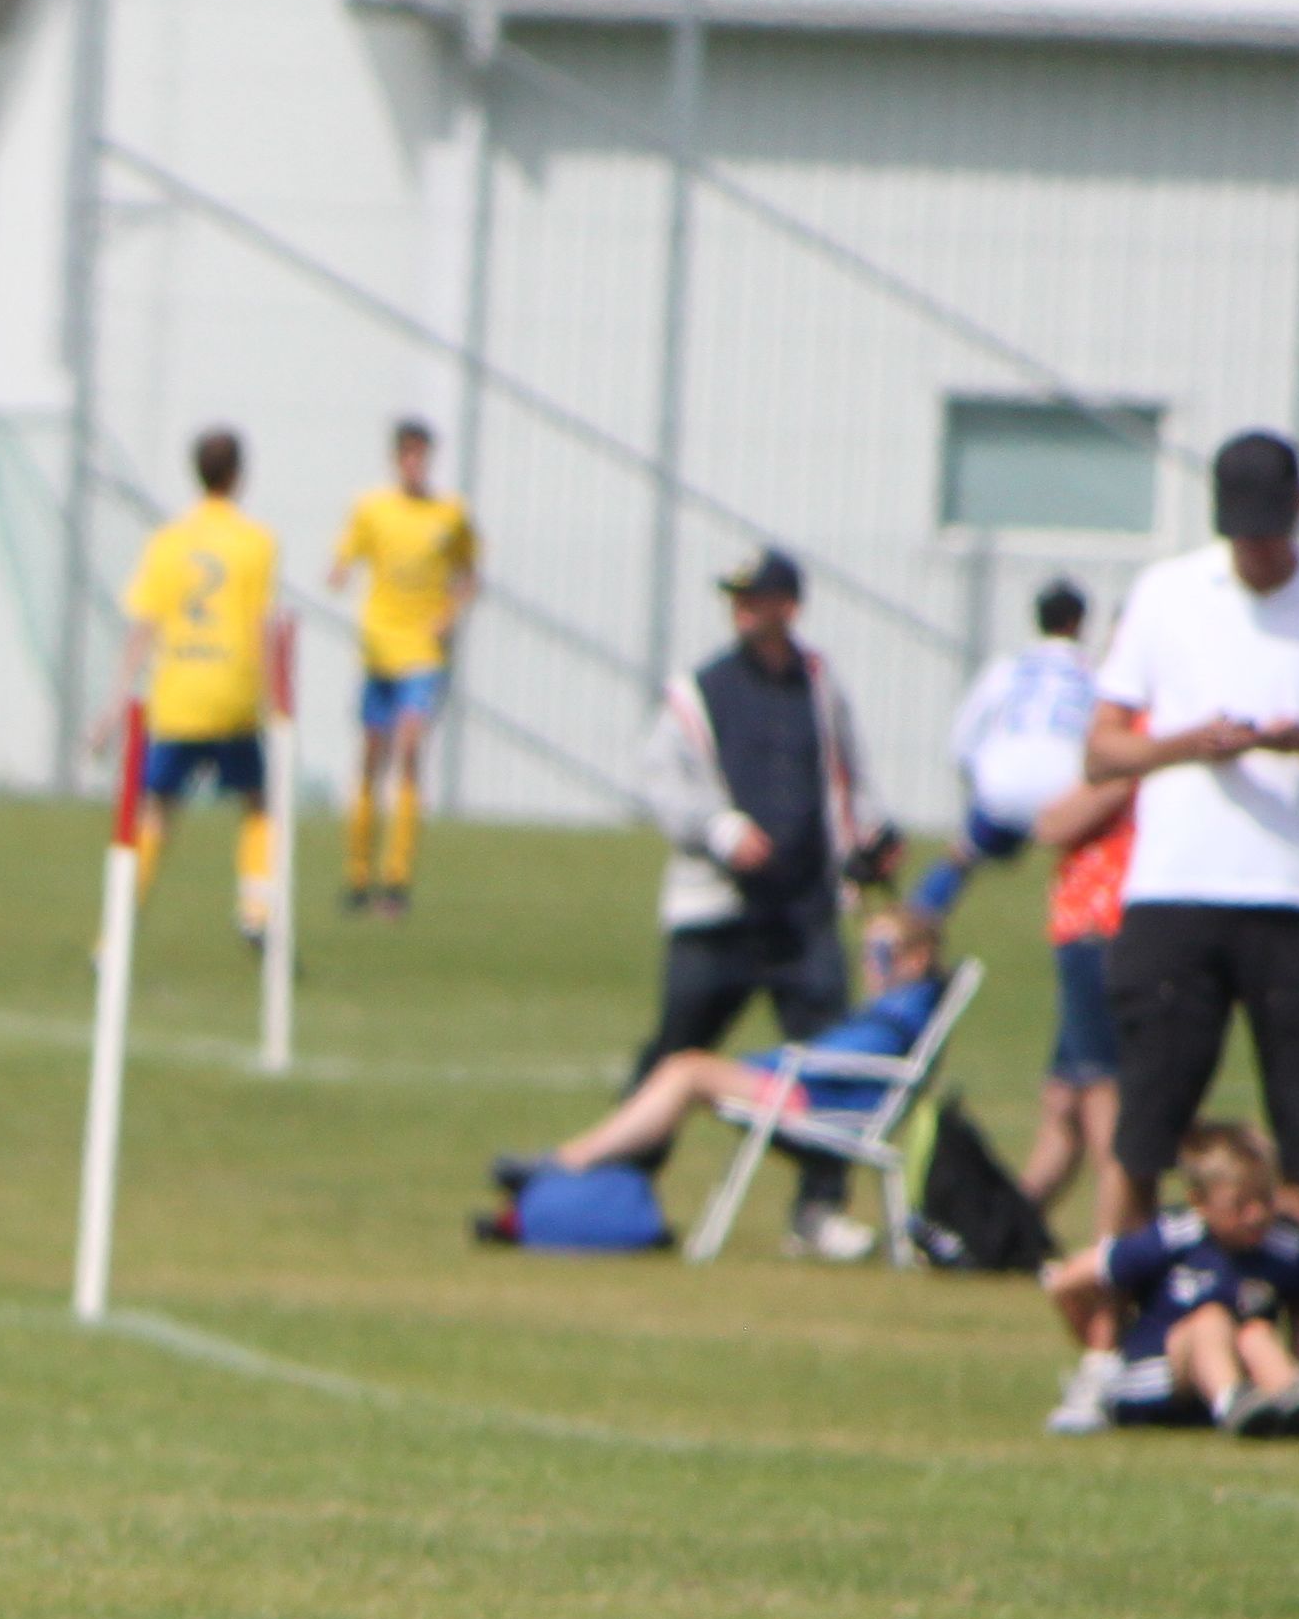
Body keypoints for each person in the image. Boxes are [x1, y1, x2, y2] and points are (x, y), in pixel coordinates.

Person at [1085, 429, 1299, 1250]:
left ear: (1298, 510)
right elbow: (1102, 751)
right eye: (1242, 533)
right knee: (1144, 1131)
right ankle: (1117, 1313)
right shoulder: (1167, 593)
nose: (1256, 550)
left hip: (1298, 897)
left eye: (1269, 531)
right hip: (1177, 891)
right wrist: (1188, 743)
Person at [632, 547, 898, 1258]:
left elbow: (848, 773)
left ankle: (819, 1208)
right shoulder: (701, 689)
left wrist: (870, 837)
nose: (744, 610)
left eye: (756, 598)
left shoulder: (819, 682)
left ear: (789, 606)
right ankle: (622, 1187)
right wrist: (719, 829)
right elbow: (661, 780)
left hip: (803, 911)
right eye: (738, 599)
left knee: (830, 1061)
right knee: (673, 1050)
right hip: (720, 913)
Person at [480, 903, 948, 1212]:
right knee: (684, 1069)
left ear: (916, 958)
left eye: (881, 953)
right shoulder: (903, 1003)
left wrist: (762, 1064)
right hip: (813, 1094)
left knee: (686, 1071)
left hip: (822, 1105)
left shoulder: (899, 1014)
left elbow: (826, 1059)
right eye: (866, 951)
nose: (869, 964)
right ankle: (577, 1163)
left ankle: (571, 1161)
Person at [1042, 1121, 1299, 1438]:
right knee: (1211, 1320)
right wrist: (1093, 1345)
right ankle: (1232, 1402)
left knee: (1256, 1332)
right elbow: (1066, 1281)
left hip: (1241, 1380)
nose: (1256, 1215)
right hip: (1157, 1380)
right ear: (1199, 1202)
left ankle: (1293, 1399)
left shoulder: (1283, 1246)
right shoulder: (1174, 1235)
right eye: (1240, 1205)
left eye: (1266, 1199)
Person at [96, 428, 280, 946]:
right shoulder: (256, 542)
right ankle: (255, 907)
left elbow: (143, 627)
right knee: (258, 804)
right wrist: (271, 696)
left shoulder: (168, 541)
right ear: (238, 475)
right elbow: (261, 625)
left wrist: (114, 705)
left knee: (154, 813)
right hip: (233, 694)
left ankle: (114, 937)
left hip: (177, 696)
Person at [326, 418, 475, 915]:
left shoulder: (450, 513)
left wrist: (449, 615)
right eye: (407, 455)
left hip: (422, 654)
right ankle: (357, 876)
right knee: (372, 757)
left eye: (421, 456)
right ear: (395, 460)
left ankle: (396, 879)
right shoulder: (372, 508)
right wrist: (338, 571)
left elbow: (469, 575)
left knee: (410, 749)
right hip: (377, 651)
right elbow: (345, 555)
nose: (415, 464)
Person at [1017, 722, 1142, 1247]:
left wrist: (1119, 768)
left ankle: (1114, 1248)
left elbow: (1055, 823)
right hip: (1086, 929)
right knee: (1064, 1101)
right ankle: (1004, 1231)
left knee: (1101, 1093)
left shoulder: (1148, 738)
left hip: (1106, 928)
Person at [912, 579, 1098, 921]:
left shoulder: (1008, 667)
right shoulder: (1094, 673)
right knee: (1094, 860)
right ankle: (1087, 933)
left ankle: (910, 927)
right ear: (1078, 622)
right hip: (1066, 794)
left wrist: (981, 784)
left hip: (1003, 789)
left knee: (962, 855)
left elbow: (962, 739)